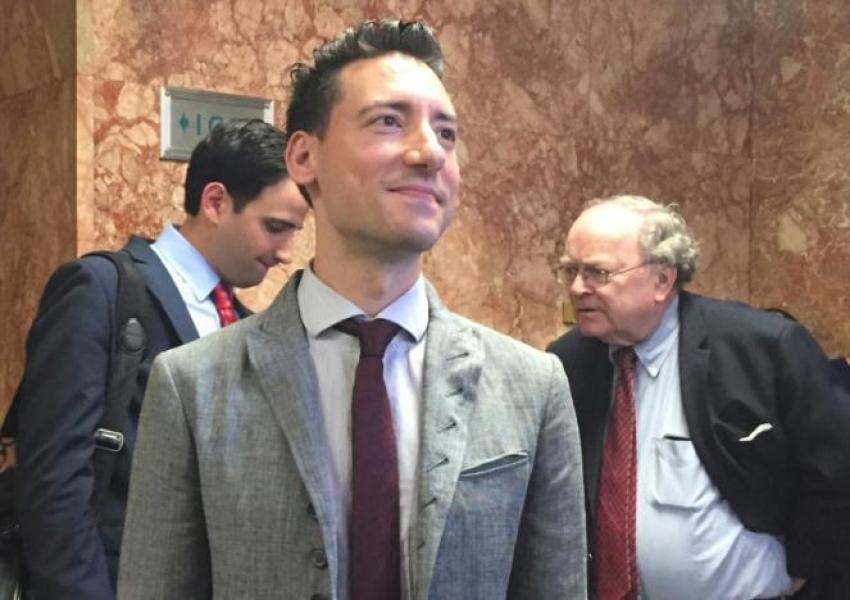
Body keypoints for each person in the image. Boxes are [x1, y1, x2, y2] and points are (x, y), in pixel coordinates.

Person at [117, 19, 587, 600]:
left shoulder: (531, 387)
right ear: (304, 157)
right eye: (389, 121)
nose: (428, 153)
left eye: (446, 133)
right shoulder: (193, 387)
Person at [9, 118, 309, 600]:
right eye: (275, 227)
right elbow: (53, 481)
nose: (285, 252)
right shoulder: (101, 290)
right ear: (215, 202)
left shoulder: (250, 324)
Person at [547, 194, 850, 600]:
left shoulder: (762, 348)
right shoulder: (567, 363)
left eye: (597, 272)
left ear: (662, 279)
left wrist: (805, 569)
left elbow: (835, 470)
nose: (577, 288)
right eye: (570, 270)